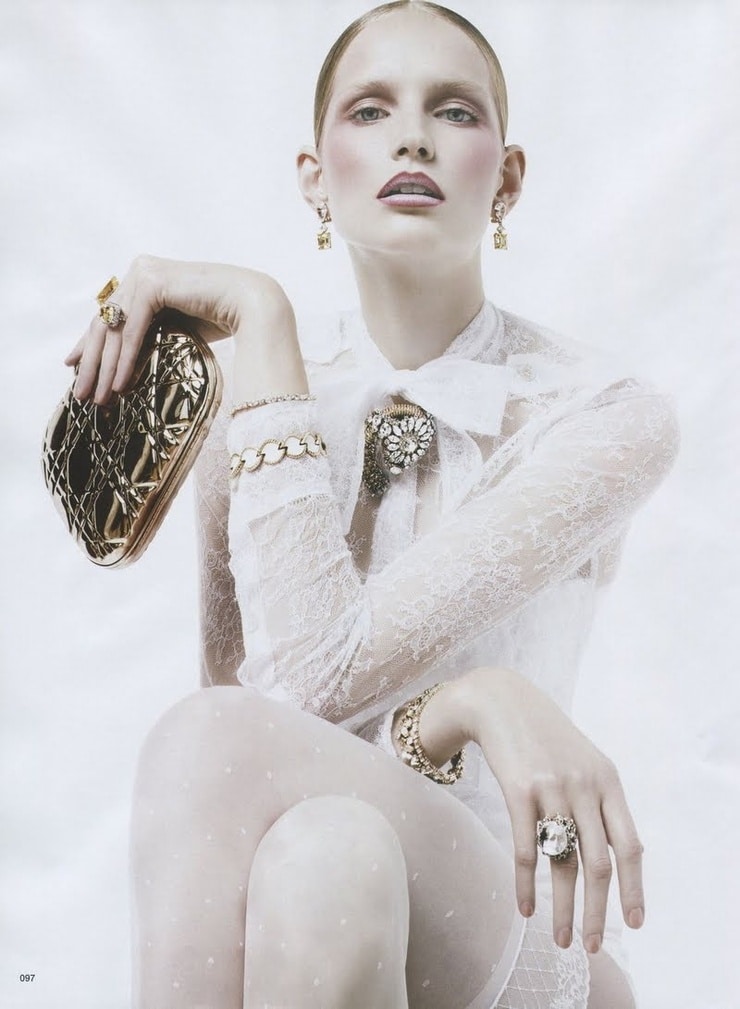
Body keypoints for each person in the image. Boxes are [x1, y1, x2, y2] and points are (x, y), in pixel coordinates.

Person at [65, 2, 678, 1006]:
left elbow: (267, 717)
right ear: (314, 177)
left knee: (203, 737)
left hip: (517, 925)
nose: (412, 137)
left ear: (507, 178)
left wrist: (258, 318)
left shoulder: (600, 414)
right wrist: (467, 705)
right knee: (323, 851)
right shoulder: (255, 410)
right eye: (370, 110)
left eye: (452, 110)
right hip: (318, 895)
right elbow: (268, 738)